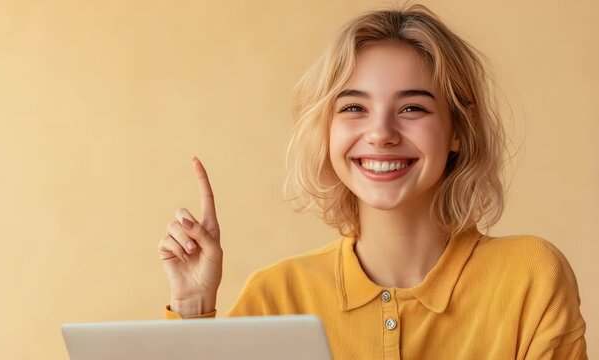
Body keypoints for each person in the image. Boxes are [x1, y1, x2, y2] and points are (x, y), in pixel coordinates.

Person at [157, 4, 587, 359]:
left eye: (413, 108)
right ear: (326, 131)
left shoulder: (530, 276)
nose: (381, 133)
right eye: (353, 108)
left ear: (457, 129)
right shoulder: (277, 297)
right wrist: (193, 306)